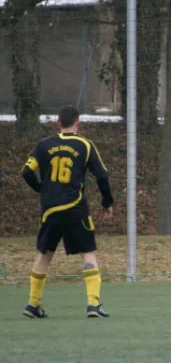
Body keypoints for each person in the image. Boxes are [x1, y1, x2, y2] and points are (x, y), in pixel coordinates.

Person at [21, 105, 114, 318]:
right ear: (78, 123)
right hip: (75, 208)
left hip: (50, 210)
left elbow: (26, 171)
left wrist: (42, 190)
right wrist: (107, 202)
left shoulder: (44, 145)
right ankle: (93, 304)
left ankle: (33, 304)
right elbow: (102, 176)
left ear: (58, 123)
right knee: (88, 252)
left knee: (45, 254)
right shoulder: (85, 145)